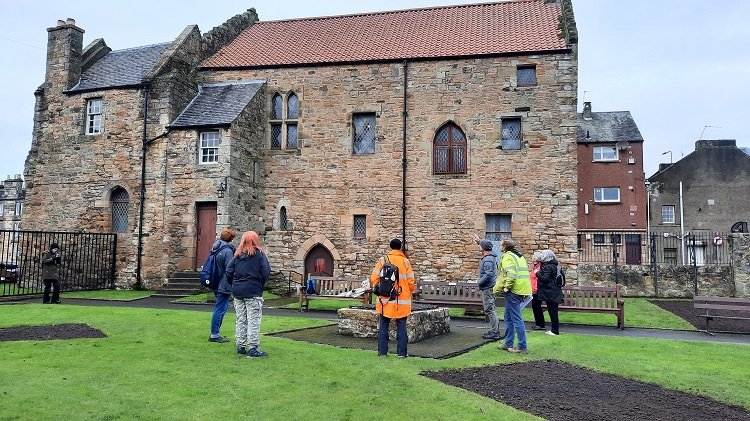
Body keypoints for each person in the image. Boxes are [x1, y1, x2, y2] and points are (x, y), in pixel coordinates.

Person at [226, 231, 271, 358]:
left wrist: (235, 284)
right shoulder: (259, 255)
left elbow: (228, 272)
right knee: (253, 320)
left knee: (241, 319)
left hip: (238, 292)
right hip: (253, 291)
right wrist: (259, 283)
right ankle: (253, 348)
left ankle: (241, 346)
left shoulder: (238, 256)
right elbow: (266, 272)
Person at [370, 238, 415, 358]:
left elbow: (374, 278)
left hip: (385, 300)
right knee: (401, 327)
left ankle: (382, 352)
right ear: (400, 248)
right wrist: (407, 291)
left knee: (384, 326)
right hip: (402, 301)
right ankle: (402, 353)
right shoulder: (405, 262)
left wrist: (380, 290)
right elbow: (411, 282)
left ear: (390, 247)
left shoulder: (383, 260)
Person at [493, 239, 531, 354]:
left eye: (500, 245)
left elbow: (512, 274)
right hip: (522, 289)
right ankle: (508, 343)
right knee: (508, 317)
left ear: (504, 247)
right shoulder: (519, 256)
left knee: (516, 318)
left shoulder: (507, 257)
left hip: (514, 291)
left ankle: (522, 347)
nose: (499, 246)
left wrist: (507, 287)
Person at [208, 229, 237, 344]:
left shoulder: (216, 248)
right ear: (230, 238)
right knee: (220, 308)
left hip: (215, 281)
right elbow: (230, 268)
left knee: (220, 307)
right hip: (224, 283)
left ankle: (215, 333)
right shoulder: (227, 251)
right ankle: (214, 334)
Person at [473, 235, 502, 340]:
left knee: (489, 309)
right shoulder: (490, 256)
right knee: (491, 308)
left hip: (488, 287)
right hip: (489, 286)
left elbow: (488, 274)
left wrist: (479, 282)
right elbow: (485, 245)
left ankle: (495, 332)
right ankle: (495, 330)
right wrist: (479, 241)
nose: (479, 247)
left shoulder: (488, 259)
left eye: (480, 245)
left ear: (484, 248)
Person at [536, 249, 564, 336]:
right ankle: (554, 330)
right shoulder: (556, 265)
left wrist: (537, 273)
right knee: (553, 312)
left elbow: (545, 279)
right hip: (555, 292)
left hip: (551, 293)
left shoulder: (548, 267)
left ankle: (555, 331)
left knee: (553, 313)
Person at [529, 251, 547, 331]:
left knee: (537, 308)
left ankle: (540, 324)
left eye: (533, 257)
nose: (531, 258)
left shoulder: (539, 268)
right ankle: (539, 324)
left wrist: (535, 290)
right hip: (534, 290)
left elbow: (538, 280)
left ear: (536, 259)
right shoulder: (536, 267)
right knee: (536, 308)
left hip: (537, 291)